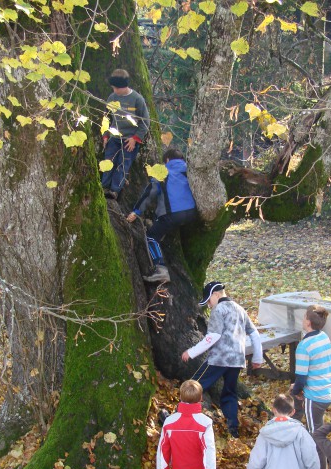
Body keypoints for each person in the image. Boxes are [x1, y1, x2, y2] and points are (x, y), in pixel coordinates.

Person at [181, 282, 263, 438]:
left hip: (219, 359)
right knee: (229, 393)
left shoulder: (219, 310)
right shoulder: (239, 309)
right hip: (237, 360)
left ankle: (181, 419)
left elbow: (213, 336)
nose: (209, 305)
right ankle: (233, 429)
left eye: (209, 301)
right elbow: (254, 334)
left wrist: (191, 352)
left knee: (194, 385)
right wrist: (257, 357)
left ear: (216, 294)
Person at [289, 305, 331, 469]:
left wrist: (295, 390)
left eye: (304, 318)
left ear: (308, 322)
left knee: (316, 440)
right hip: (328, 390)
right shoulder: (323, 337)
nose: (302, 320)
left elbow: (301, 377)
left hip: (315, 396)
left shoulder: (304, 346)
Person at [127, 149, 197, 283]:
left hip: (173, 214)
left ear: (167, 160)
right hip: (192, 213)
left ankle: (161, 270)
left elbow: (150, 194)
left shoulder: (162, 173)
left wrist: (136, 211)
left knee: (151, 237)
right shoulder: (189, 170)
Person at [101, 69, 150, 199]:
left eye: (116, 87)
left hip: (130, 140)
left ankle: (114, 190)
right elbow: (106, 118)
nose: (114, 90)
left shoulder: (137, 99)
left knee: (123, 164)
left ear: (123, 86)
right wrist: (105, 135)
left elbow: (145, 121)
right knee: (108, 160)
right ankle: (104, 186)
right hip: (114, 137)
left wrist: (135, 138)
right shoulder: (112, 98)